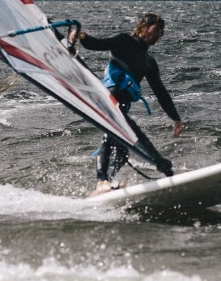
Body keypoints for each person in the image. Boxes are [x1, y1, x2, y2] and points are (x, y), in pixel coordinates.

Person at [70, 13, 183, 196]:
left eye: (161, 32)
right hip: (108, 99)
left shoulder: (149, 61)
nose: (158, 35)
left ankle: (106, 185)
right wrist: (81, 36)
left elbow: (160, 92)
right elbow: (96, 44)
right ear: (143, 27)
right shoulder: (124, 41)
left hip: (122, 106)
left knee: (122, 151)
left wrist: (175, 118)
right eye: (155, 30)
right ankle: (102, 181)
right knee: (115, 135)